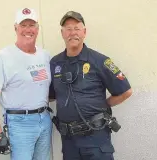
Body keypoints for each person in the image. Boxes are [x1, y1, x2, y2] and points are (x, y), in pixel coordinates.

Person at [49, 11, 132, 160]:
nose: (72, 33)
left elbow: (125, 91)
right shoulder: (55, 63)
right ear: (62, 33)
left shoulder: (100, 61)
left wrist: (103, 104)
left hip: (96, 138)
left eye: (76, 28)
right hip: (69, 142)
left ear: (84, 32)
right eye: (68, 29)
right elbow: (50, 95)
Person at [0, 8, 52, 160]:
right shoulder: (3, 57)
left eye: (32, 25)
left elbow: (47, 89)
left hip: (44, 119)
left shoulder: (45, 55)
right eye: (23, 25)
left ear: (38, 28)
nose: (28, 29)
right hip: (20, 124)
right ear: (15, 28)